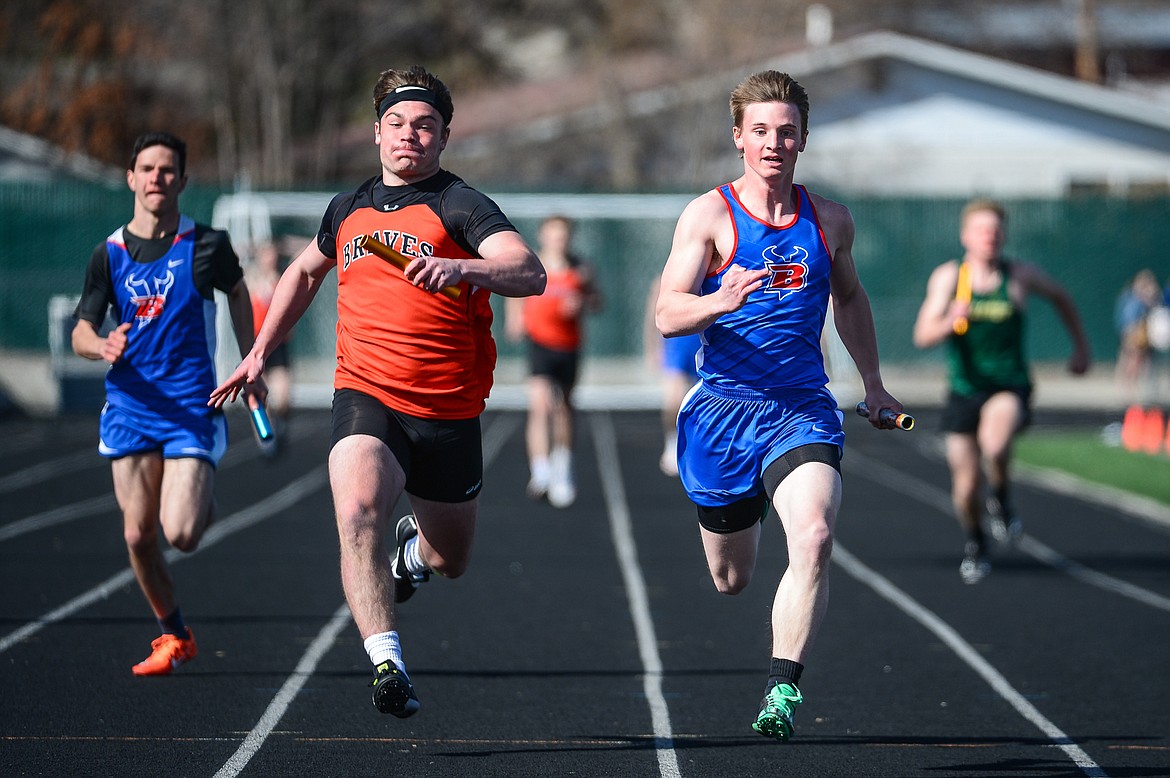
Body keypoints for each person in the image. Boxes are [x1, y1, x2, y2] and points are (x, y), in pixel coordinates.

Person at [210, 65, 546, 718]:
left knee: (451, 558)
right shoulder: (347, 208)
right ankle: (386, 660)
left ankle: (411, 558)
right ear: (376, 133)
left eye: (424, 126)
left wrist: (462, 265)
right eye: (397, 124)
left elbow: (528, 271)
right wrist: (258, 353)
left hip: (447, 410)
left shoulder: (461, 205)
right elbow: (305, 273)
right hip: (367, 394)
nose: (409, 136)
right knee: (357, 509)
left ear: (443, 137)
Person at [655, 70, 902, 742]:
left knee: (816, 533)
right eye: (760, 130)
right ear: (739, 138)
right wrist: (717, 300)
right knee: (731, 579)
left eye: (786, 131)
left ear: (803, 140)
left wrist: (872, 382)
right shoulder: (708, 215)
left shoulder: (831, 220)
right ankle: (747, 509)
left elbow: (848, 299)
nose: (773, 142)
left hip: (802, 408)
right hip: (723, 414)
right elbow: (667, 312)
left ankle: (782, 687)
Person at [71, 131, 263, 675]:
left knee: (180, 533)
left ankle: (200, 499)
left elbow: (239, 291)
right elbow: (82, 332)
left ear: (181, 180)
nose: (157, 178)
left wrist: (250, 360)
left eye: (167, 170)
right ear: (131, 178)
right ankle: (174, 635)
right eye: (147, 169)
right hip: (130, 408)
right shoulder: (107, 254)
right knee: (137, 533)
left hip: (189, 407)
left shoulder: (206, 244)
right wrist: (101, 344)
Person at [913, 199, 1090, 584]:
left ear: (1004, 236)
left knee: (995, 443)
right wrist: (949, 322)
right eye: (981, 229)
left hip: (1009, 385)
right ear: (965, 236)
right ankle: (976, 542)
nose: (989, 236)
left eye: (996, 230)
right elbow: (922, 334)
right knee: (964, 487)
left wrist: (1081, 348)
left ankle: (1003, 497)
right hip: (963, 391)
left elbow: (1062, 297)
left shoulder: (1020, 275)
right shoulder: (950, 278)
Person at [504, 215, 602, 507]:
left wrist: (582, 303)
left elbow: (597, 302)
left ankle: (563, 468)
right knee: (540, 404)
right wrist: (514, 318)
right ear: (543, 236)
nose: (558, 240)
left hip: (568, 346)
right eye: (553, 234)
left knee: (565, 408)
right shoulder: (533, 264)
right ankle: (540, 471)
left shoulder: (581, 269)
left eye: (563, 235)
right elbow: (516, 292)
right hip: (540, 343)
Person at [643, 278, 701, 477]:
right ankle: (671, 441)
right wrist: (652, 348)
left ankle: (694, 447)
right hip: (676, 345)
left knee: (698, 404)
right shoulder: (663, 281)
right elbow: (654, 315)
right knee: (673, 399)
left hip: (701, 342)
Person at [246, 240, 294, 453]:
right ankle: (264, 439)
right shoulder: (251, 279)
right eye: (265, 254)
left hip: (278, 345)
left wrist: (284, 245)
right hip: (256, 345)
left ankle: (280, 422)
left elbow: (306, 250)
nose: (269, 258)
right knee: (258, 398)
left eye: (272, 254)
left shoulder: (284, 278)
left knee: (282, 399)